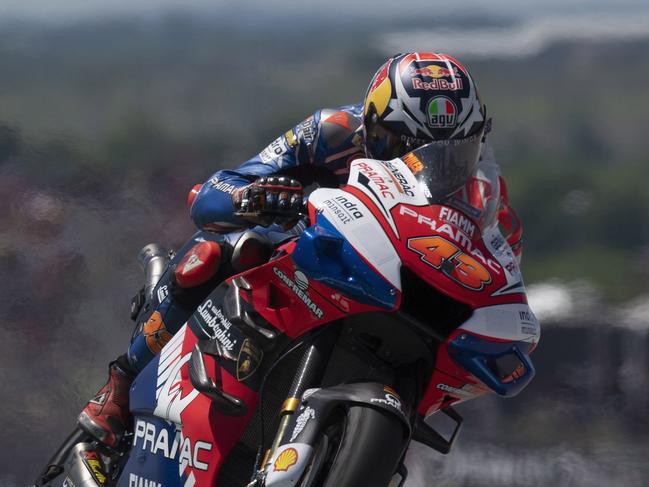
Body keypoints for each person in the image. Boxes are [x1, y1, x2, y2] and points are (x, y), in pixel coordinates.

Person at [77, 51, 523, 447]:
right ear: (371, 125)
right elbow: (215, 192)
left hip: (398, 289)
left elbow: (501, 257)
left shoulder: (486, 195)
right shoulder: (332, 131)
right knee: (224, 249)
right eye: (400, 145)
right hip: (312, 256)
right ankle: (121, 381)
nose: (426, 166)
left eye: (450, 154)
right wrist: (250, 199)